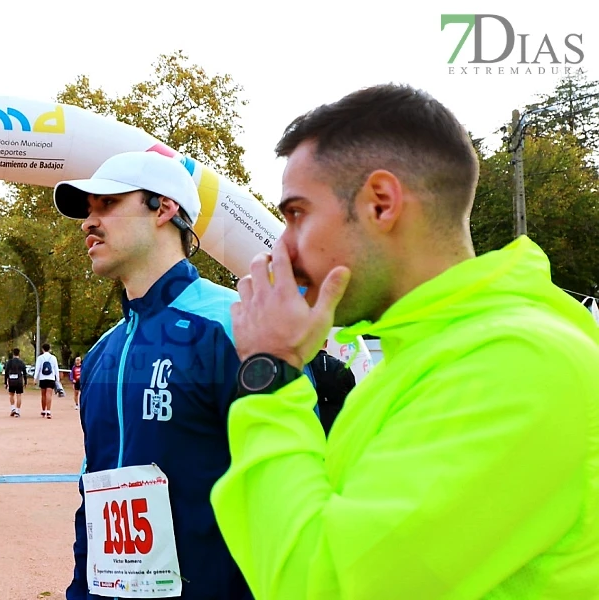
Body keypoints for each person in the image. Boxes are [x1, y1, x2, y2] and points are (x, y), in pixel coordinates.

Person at [211, 84, 599, 599]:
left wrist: (271, 371)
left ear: (381, 203)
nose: (283, 246)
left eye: (297, 214)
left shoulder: (515, 361)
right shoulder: (426, 353)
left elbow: (321, 585)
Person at [53, 150, 250, 598]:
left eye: (107, 204)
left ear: (164, 208)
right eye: (87, 210)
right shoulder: (104, 351)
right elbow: (96, 491)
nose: (88, 222)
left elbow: (288, 491)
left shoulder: (239, 326)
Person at [307, 346, 355, 436]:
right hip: (338, 425)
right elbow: (353, 396)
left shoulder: (305, 369)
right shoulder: (342, 367)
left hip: (313, 427)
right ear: (326, 344)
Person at [33, 343, 59, 419]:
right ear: (49, 349)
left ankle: (43, 410)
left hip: (42, 378)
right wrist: (57, 379)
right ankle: (49, 411)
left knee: (43, 395)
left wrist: (35, 378)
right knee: (49, 394)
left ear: (42, 349)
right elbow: (56, 369)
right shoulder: (53, 358)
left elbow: (37, 368)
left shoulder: (40, 358)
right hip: (51, 378)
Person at [3, 348, 28, 418]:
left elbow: (6, 372)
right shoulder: (21, 362)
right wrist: (25, 382)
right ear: (19, 354)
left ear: (13, 354)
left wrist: (5, 382)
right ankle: (18, 411)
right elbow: (25, 373)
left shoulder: (9, 362)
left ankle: (13, 408)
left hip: (11, 380)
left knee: (11, 394)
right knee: (19, 395)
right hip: (19, 380)